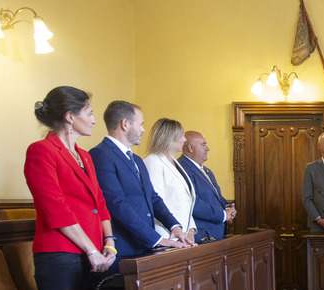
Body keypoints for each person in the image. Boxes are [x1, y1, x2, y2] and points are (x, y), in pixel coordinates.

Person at [23, 86, 116, 290]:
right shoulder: (41, 150)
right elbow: (56, 209)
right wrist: (91, 250)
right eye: (90, 113)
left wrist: (109, 243)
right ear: (70, 117)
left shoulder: (84, 155)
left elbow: (100, 204)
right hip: (61, 254)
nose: (94, 120)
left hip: (93, 253)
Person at [88, 101, 192, 260]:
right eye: (141, 124)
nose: (143, 129)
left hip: (143, 246)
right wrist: (156, 238)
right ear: (125, 124)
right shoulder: (100, 154)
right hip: (123, 247)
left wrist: (174, 225)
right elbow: (116, 203)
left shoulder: (136, 159)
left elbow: (153, 197)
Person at [143, 118, 197, 245]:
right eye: (181, 136)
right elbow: (157, 201)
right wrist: (175, 227)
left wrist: (191, 229)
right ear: (169, 138)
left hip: (183, 234)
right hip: (167, 234)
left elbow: (187, 200)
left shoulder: (174, 161)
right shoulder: (153, 161)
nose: (184, 139)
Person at [178, 130, 236, 242]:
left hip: (214, 234)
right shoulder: (182, 169)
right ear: (191, 148)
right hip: (201, 236)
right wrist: (223, 215)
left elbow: (215, 197)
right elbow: (193, 203)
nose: (207, 148)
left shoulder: (206, 171)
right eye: (203, 145)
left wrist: (228, 207)